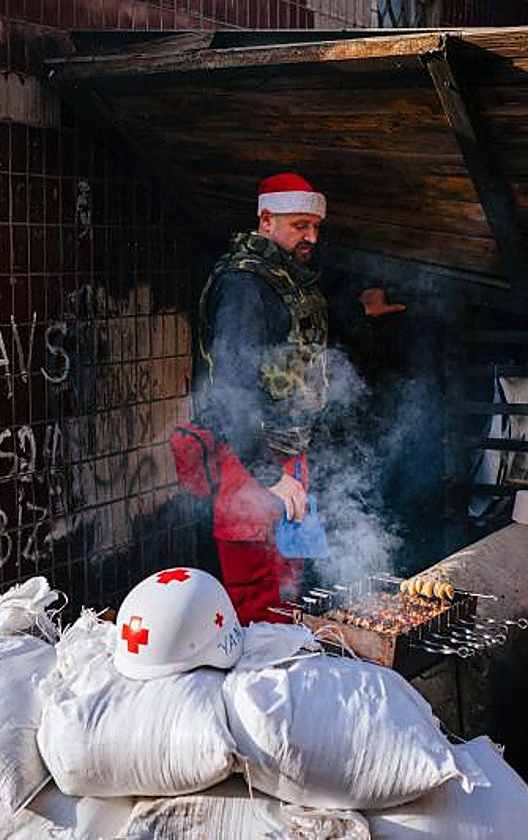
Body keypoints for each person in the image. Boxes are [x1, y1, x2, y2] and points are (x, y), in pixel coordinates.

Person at [182, 172, 404, 624]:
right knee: (257, 584)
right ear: (266, 220)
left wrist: (360, 311)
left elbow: (295, 331)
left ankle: (286, 655)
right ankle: (261, 673)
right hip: (248, 453)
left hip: (287, 451)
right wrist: (267, 474)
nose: (312, 237)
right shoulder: (244, 283)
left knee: (289, 573)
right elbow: (234, 387)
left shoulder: (283, 276)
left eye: (316, 227)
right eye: (300, 225)